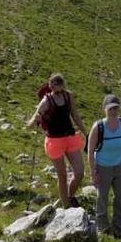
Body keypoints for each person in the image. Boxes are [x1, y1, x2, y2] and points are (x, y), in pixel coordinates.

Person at [26, 73, 87, 208]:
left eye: (59, 83)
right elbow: (36, 116)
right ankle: (66, 206)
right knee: (62, 175)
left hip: (70, 137)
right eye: (54, 84)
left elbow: (75, 115)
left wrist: (85, 132)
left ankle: (70, 196)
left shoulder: (68, 96)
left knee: (79, 172)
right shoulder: (46, 100)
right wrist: (32, 122)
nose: (57, 87)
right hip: (54, 141)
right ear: (50, 85)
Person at [87, 94, 121, 238]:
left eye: (116, 108)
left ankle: (119, 229)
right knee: (102, 198)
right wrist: (93, 172)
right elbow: (90, 151)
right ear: (104, 109)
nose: (113, 111)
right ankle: (102, 228)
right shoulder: (98, 127)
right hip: (103, 167)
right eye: (110, 109)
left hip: (120, 165)